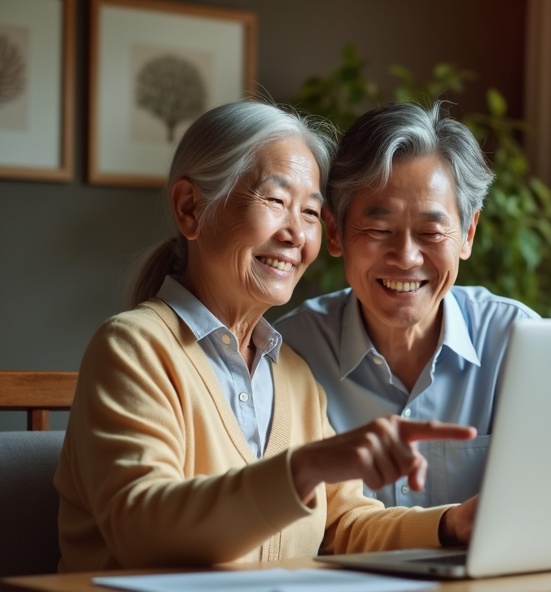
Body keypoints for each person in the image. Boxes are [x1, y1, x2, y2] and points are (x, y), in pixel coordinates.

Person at [53, 100, 479, 572]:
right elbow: (141, 529)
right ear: (190, 208)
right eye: (276, 202)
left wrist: (451, 524)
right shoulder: (133, 349)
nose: (296, 234)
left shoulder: (293, 373)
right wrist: (301, 470)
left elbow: (343, 526)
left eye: (311, 213)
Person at [274, 101, 539, 509]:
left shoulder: (520, 343)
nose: (407, 257)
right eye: (380, 229)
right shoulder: (292, 352)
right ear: (335, 232)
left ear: (467, 233)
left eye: (431, 232)